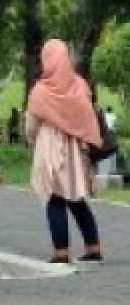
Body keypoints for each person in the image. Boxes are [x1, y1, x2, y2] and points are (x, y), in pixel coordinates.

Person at [26, 39, 103, 264]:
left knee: (54, 199)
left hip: (50, 146)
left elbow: (31, 126)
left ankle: (61, 253)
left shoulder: (41, 90)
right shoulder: (80, 85)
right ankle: (94, 247)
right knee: (76, 198)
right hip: (76, 148)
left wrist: (34, 140)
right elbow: (88, 116)